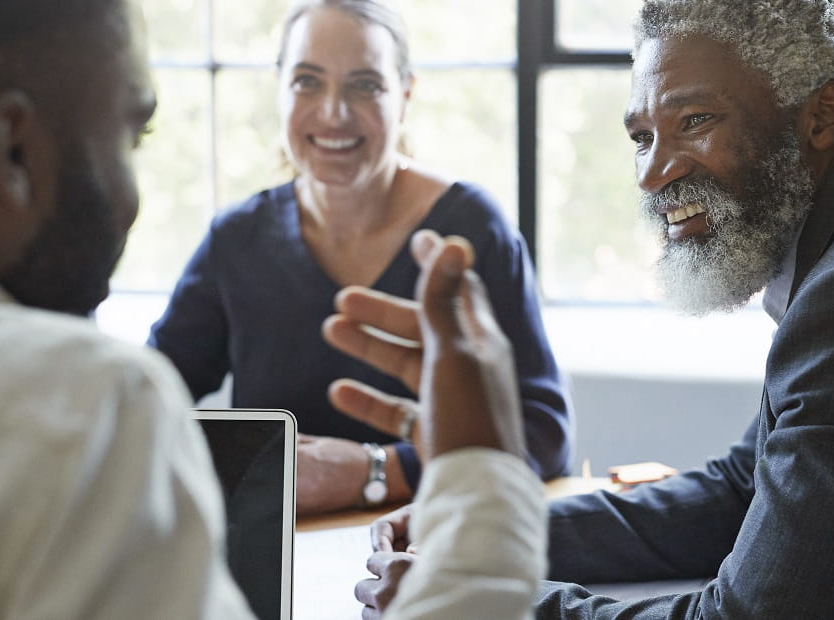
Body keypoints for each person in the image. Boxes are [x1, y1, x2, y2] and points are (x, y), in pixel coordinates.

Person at [334, 0, 834, 617]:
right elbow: (739, 493)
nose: (651, 175)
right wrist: (481, 534)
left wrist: (481, 602)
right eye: (642, 135)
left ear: (822, 117)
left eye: (695, 121)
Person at [0, 0, 254, 616]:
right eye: (131, 134)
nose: (133, 199)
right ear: (14, 149)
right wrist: (459, 482)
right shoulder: (87, 413)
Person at [147, 0, 573, 516]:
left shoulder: (471, 230)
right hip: (283, 559)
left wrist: (376, 472)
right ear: (279, 86)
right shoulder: (236, 241)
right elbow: (145, 401)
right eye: (308, 81)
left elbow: (544, 437)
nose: (333, 113)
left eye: (365, 85)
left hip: (424, 550)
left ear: (405, 94)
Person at [325, 230, 548, 619]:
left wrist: (457, 578)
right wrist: (461, 520)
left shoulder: (484, 228)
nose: (648, 177)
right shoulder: (234, 234)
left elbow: (545, 434)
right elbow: (688, 505)